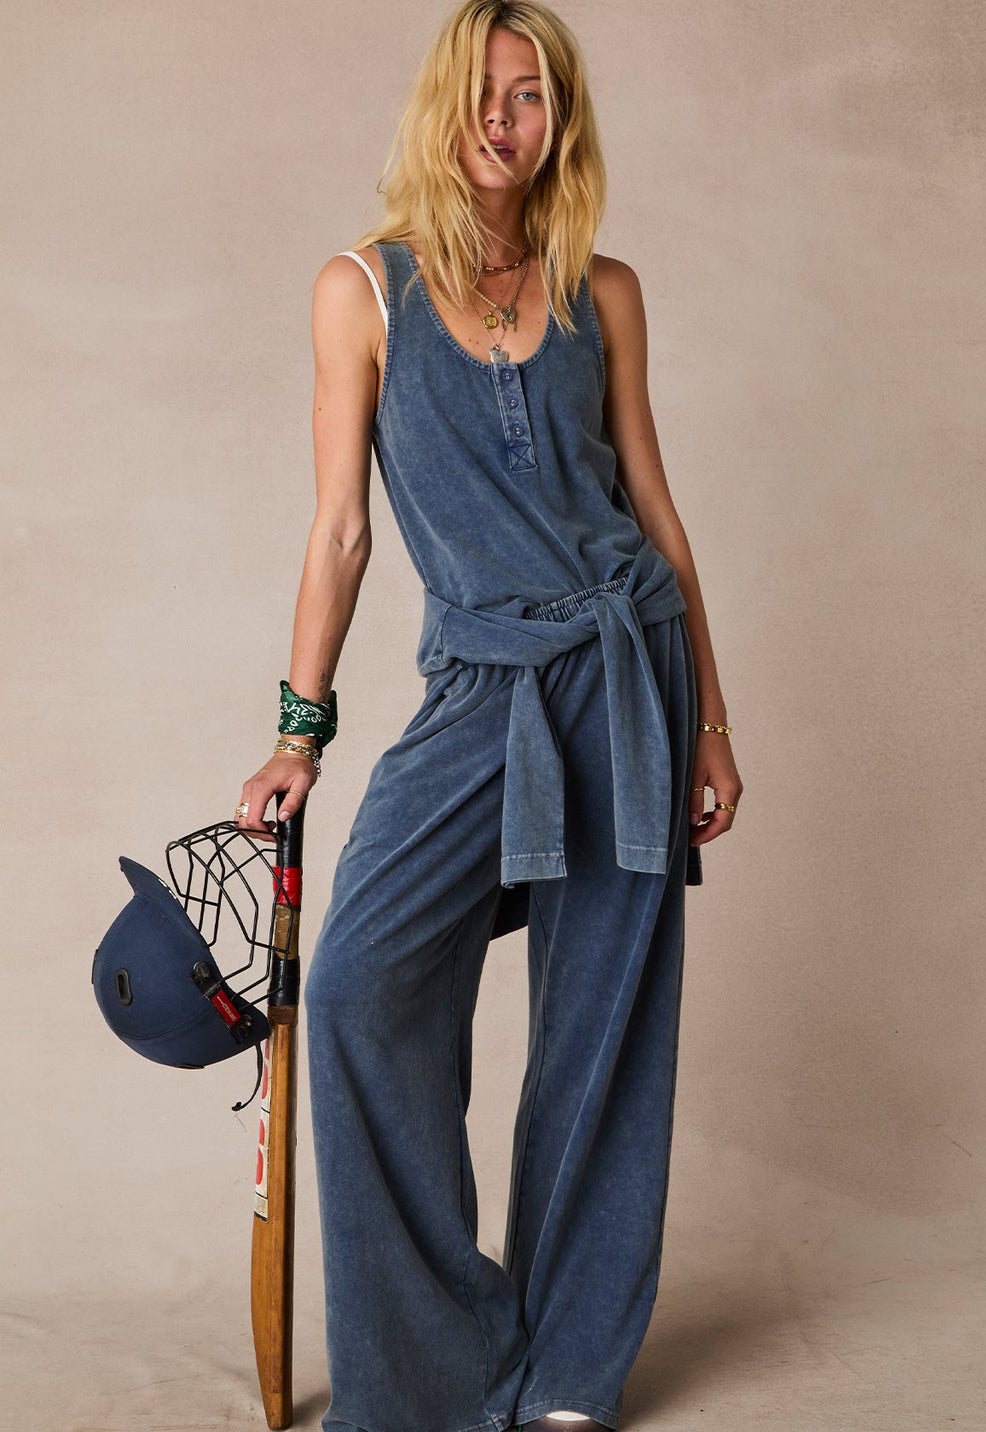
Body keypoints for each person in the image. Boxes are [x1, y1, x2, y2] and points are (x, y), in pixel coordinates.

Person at [236, 3, 742, 1428]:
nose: (501, 120)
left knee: (601, 1026)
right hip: (480, 685)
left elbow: (656, 512)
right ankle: (446, 1359)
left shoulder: (602, 290)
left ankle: (570, 1366)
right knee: (359, 986)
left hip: (628, 671)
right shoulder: (364, 289)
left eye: (529, 96)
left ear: (558, 119)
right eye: (480, 91)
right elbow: (342, 532)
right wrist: (299, 731)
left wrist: (711, 719)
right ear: (439, 107)